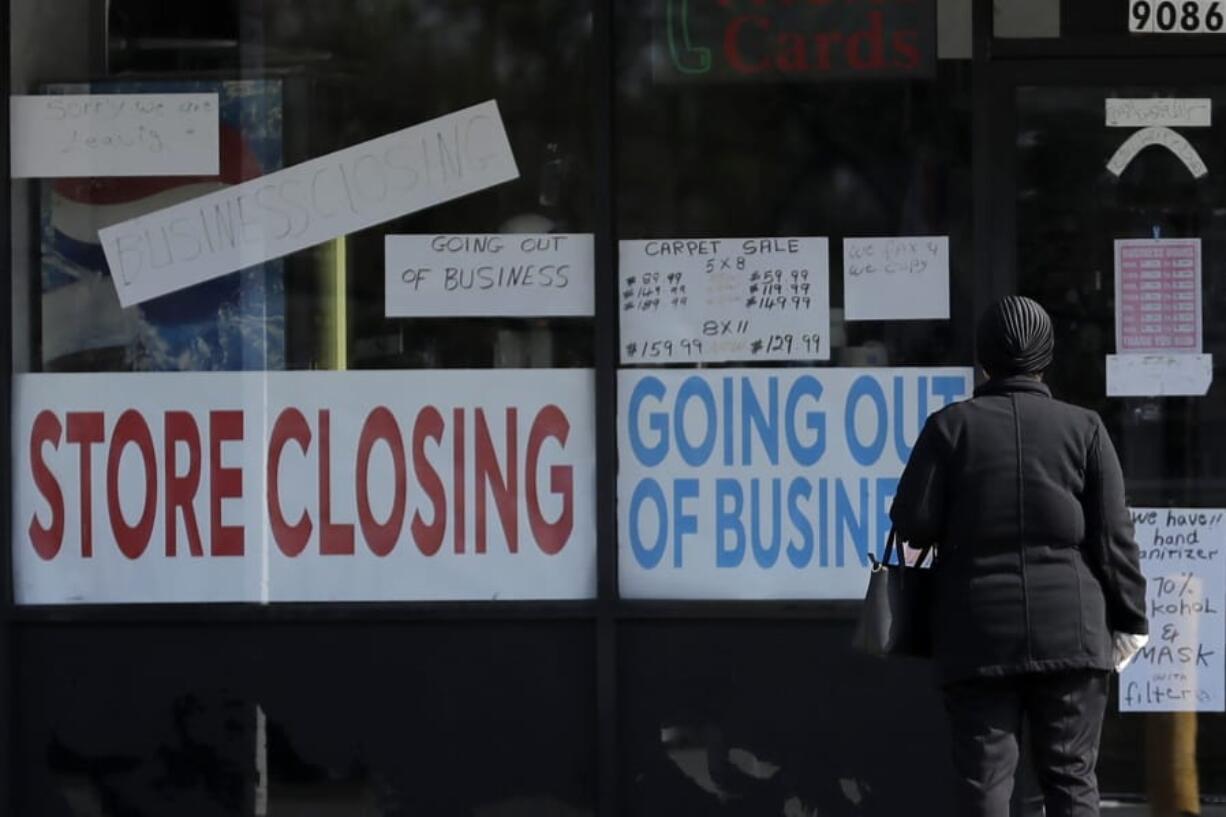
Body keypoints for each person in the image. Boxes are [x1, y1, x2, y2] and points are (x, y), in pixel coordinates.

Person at [890, 295, 1150, 817]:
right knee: (1071, 777)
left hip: (977, 628)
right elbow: (1113, 537)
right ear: (1046, 357)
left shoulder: (950, 427)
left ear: (983, 357)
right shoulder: (1085, 429)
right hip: (1073, 628)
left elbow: (911, 523)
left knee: (984, 779)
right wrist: (1131, 620)